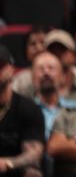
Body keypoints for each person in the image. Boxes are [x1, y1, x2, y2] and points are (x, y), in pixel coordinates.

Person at [0, 45, 45, 176]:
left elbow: (34, 153)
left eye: (0, 66)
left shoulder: (28, 108)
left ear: (11, 70)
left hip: (14, 170)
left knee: (33, 171)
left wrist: (7, 163)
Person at [30, 51, 76, 140]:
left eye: (51, 68)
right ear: (32, 77)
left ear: (62, 77)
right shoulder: (24, 110)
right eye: (40, 69)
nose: (46, 73)